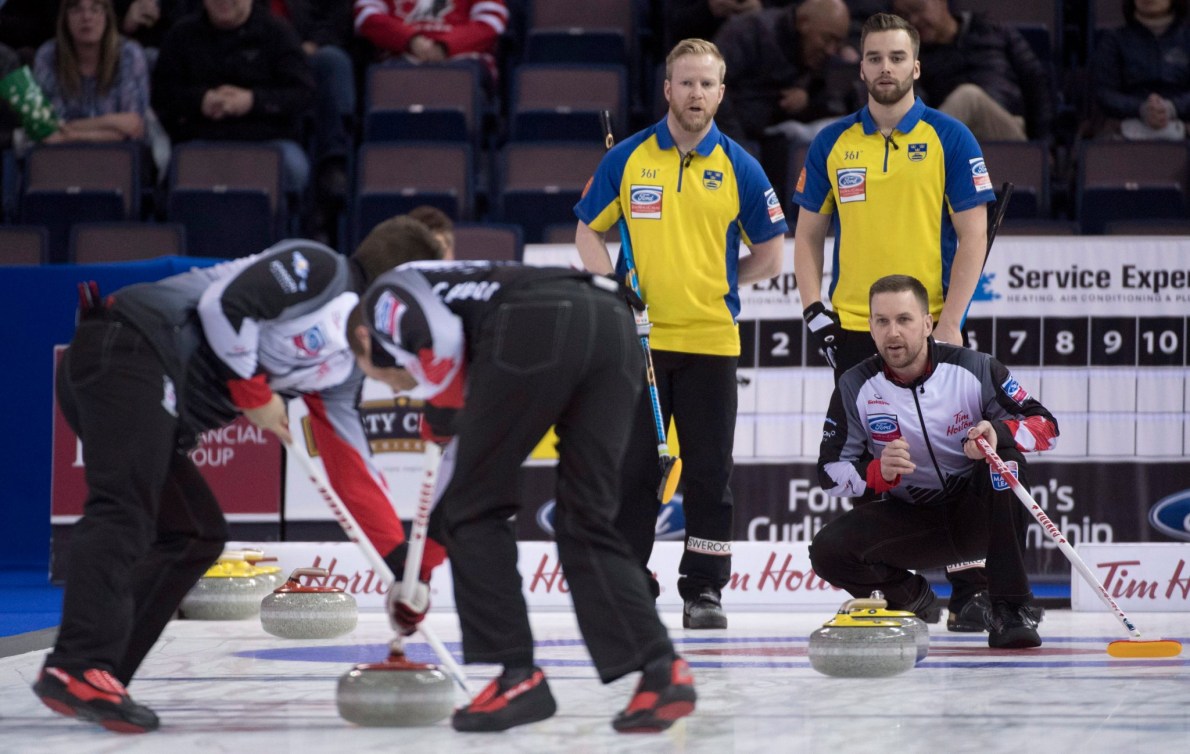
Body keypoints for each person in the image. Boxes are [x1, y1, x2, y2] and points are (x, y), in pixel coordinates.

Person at [32, 217, 446, 733]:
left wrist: (405, 571)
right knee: (124, 509)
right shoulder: (319, 269)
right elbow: (225, 307)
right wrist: (254, 394)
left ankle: (103, 672)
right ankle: (76, 665)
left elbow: (351, 466)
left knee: (194, 533)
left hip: (150, 384)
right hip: (130, 348)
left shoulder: (350, 366)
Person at [351, 259, 696, 733]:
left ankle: (518, 676)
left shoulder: (381, 298)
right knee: (586, 517)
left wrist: (443, 411)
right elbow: (453, 473)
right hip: (616, 323)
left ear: (366, 342)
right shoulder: (467, 297)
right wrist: (420, 573)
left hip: (537, 319)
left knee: (477, 509)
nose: (397, 385)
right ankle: (662, 670)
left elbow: (442, 345)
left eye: (382, 377)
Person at [792, 11, 996, 631]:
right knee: (873, 459)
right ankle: (893, 586)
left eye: (896, 58)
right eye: (874, 58)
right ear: (860, 68)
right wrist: (812, 310)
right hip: (857, 328)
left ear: (916, 65)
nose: (886, 68)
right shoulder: (832, 141)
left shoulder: (950, 137)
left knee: (955, 455)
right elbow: (806, 236)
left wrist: (952, 321)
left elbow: (972, 234)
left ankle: (971, 592)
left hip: (931, 328)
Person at [574, 38, 787, 630]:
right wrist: (611, 287)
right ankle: (628, 578)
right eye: (686, 83)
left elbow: (770, 253)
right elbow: (587, 232)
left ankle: (703, 590)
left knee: (710, 472)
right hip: (638, 342)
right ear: (668, 89)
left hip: (712, 342)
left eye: (707, 84)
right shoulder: (630, 158)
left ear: (721, 92)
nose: (696, 94)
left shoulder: (740, 166)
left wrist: (722, 280)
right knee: (635, 468)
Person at [808, 274, 1057, 649]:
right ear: (871, 328)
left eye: (905, 320)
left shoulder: (975, 368)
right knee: (826, 550)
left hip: (978, 515)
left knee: (1007, 460)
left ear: (927, 323)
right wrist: (876, 473)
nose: (893, 332)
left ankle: (1011, 609)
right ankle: (912, 597)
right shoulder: (854, 384)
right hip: (913, 519)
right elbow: (829, 472)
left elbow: (1046, 427)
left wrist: (997, 433)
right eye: (882, 321)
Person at [151, 0, 315, 198]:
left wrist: (252, 101)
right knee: (177, 168)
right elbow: (162, 94)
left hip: (269, 140)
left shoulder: (278, 32)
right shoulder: (181, 35)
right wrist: (200, 100)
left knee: (293, 168)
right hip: (202, 139)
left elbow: (302, 93)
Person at [890, 0, 1052, 142]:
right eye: (904, 16)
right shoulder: (915, 58)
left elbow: (1035, 82)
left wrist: (1044, 144)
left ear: (941, 1)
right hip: (954, 143)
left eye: (917, 9)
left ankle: (912, 160)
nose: (913, 20)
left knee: (969, 98)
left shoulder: (994, 30)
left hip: (1006, 135)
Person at [714, 0, 857, 145]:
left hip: (776, 139)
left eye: (838, 43)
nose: (831, 50)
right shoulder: (748, 32)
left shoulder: (821, 54)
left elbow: (833, 99)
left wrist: (807, 100)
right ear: (803, 23)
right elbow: (712, 88)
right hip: (729, 135)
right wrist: (737, 150)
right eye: (827, 39)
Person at [32, 0, 150, 146]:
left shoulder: (129, 54)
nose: (86, 17)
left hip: (120, 159)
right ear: (65, 18)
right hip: (62, 159)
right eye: (76, 9)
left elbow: (134, 126)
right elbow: (49, 129)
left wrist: (72, 135)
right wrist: (113, 122)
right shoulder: (48, 56)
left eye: (96, 9)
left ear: (107, 15)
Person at [1090, 0, 1190, 141]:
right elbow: (1104, 93)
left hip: (1184, 123)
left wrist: (1172, 108)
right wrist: (1141, 108)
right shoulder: (1114, 39)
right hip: (1125, 124)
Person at [352, 0, 508, 85]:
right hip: (400, 58)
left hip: (464, 60)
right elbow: (366, 16)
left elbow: (491, 22)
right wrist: (411, 40)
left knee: (461, 81)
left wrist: (444, 46)